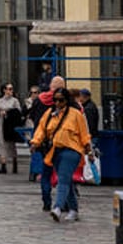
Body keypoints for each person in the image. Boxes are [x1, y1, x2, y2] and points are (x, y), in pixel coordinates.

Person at [30, 87, 92, 223]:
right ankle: (74, 210)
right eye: (55, 100)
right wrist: (35, 142)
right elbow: (41, 129)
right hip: (55, 151)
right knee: (67, 180)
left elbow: (84, 134)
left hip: (72, 150)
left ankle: (57, 207)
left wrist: (89, 150)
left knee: (63, 178)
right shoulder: (49, 114)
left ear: (67, 100)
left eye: (61, 100)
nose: (57, 103)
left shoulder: (76, 114)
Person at [0, 83, 24, 175]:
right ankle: (3, 165)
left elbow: (19, 112)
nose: (10, 91)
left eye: (11, 89)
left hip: (11, 124)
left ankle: (14, 163)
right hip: (2, 122)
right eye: (9, 89)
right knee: (2, 143)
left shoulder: (15, 101)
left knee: (11, 144)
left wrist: (8, 112)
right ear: (4, 90)